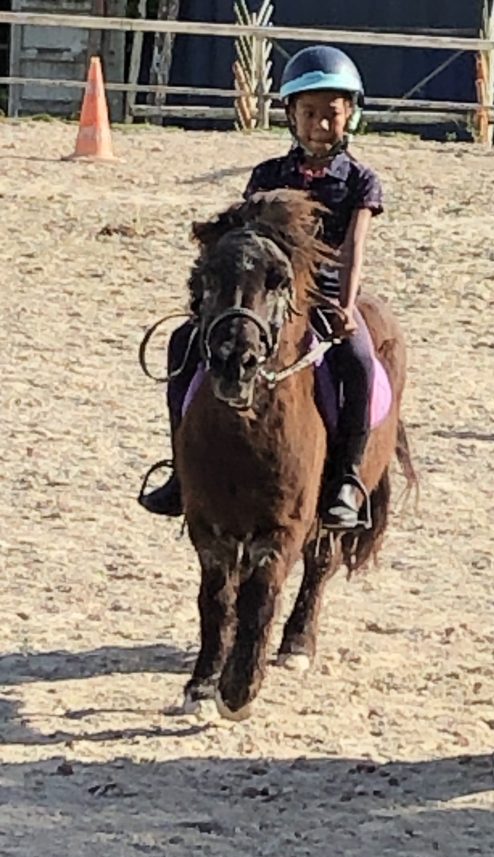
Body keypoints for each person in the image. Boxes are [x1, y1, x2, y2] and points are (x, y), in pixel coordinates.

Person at [138, 44, 383, 531]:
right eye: (309, 114)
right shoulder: (269, 175)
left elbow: (355, 246)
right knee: (183, 343)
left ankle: (348, 479)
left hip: (324, 296)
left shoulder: (360, 181)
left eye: (331, 114)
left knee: (358, 360)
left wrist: (346, 306)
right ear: (291, 115)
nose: (320, 125)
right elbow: (246, 246)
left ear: (350, 115)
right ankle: (180, 471)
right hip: (266, 295)